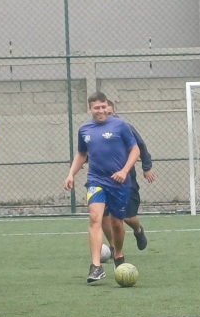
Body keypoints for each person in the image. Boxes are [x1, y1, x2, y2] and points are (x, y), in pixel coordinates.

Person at [64, 92, 140, 283]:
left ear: (108, 107)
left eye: (103, 107)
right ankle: (96, 266)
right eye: (96, 108)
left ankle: (118, 253)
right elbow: (82, 154)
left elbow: (135, 149)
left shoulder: (120, 125)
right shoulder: (84, 130)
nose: (101, 110)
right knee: (95, 217)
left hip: (119, 183)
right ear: (90, 109)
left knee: (117, 224)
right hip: (96, 180)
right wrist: (71, 174)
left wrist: (124, 171)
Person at [101, 99, 155, 254]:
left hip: (126, 179)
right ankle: (113, 247)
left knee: (127, 217)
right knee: (103, 214)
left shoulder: (125, 127)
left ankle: (138, 230)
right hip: (102, 179)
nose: (107, 116)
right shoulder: (94, 130)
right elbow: (90, 149)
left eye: (109, 113)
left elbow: (140, 146)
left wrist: (147, 167)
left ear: (114, 112)